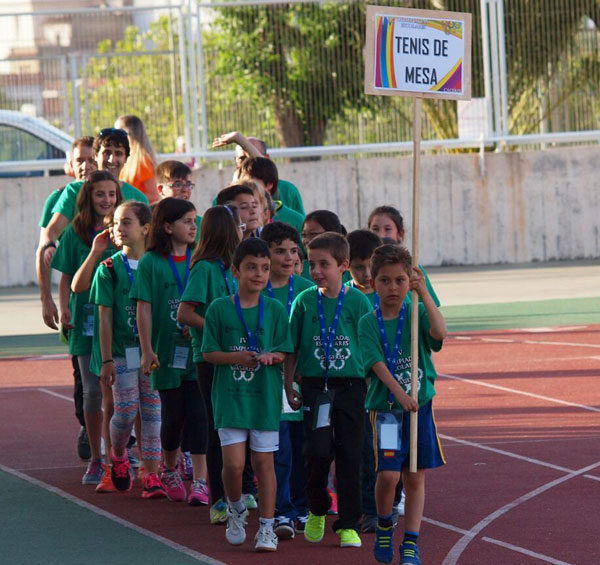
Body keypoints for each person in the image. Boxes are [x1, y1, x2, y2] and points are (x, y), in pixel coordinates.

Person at [202, 238, 294, 552]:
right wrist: (236, 358)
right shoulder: (219, 308)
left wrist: (273, 357)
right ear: (236, 271)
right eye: (252, 267)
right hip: (230, 398)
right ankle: (236, 508)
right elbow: (209, 353)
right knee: (234, 465)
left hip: (264, 398)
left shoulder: (277, 310)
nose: (259, 274)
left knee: (264, 463)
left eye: (265, 268)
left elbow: (285, 349)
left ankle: (267, 527)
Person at [358, 244, 446, 565]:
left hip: (419, 409)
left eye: (399, 280)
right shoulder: (369, 321)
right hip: (388, 413)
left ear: (408, 281)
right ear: (372, 282)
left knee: (415, 476)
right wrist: (399, 394)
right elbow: (377, 364)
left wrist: (423, 294)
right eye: (384, 281)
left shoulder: (416, 312)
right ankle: (384, 523)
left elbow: (440, 332)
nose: (392, 288)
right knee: (389, 475)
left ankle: (411, 541)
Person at [285, 232, 371, 549]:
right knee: (317, 452)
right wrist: (288, 384)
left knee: (350, 455)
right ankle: (318, 507)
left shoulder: (359, 302)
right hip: (315, 388)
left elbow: (370, 346)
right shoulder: (305, 301)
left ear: (344, 266)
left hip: (350, 387)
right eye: (312, 264)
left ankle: (349, 524)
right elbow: (291, 347)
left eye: (325, 264)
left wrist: (371, 384)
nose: (317, 270)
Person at [130, 198, 207, 503]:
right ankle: (171, 466)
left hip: (198, 350)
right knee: (173, 416)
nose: (193, 226)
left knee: (199, 414)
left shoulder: (199, 259)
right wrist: (147, 350)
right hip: (165, 351)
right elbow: (144, 308)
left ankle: (200, 480)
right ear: (167, 226)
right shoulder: (151, 262)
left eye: (195, 220)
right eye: (187, 221)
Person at [90, 201, 166, 499]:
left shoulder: (157, 264)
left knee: (153, 412)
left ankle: (152, 474)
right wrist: (107, 358)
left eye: (126, 223)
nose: (117, 229)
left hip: (153, 351)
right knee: (124, 410)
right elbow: (104, 318)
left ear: (146, 228)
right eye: (116, 223)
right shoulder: (108, 268)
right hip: (123, 351)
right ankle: (119, 455)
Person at [50, 170, 122, 485]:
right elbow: (67, 279)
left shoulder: (124, 230)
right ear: (88, 197)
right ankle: (96, 458)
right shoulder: (75, 234)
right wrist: (64, 307)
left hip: (121, 323)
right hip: (86, 322)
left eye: (111, 194)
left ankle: (123, 453)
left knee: (123, 396)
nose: (106, 200)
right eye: (100, 194)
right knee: (92, 392)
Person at [177, 205, 244, 518]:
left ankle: (243, 489)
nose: (243, 230)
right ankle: (218, 498)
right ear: (228, 231)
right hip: (210, 359)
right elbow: (185, 313)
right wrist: (217, 327)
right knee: (218, 427)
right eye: (239, 226)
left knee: (239, 424)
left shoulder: (233, 267)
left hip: (235, 356)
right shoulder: (204, 268)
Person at [38, 129, 149, 309]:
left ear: (126, 158)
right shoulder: (74, 192)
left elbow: (146, 247)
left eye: (119, 153)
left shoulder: (138, 198)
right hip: (82, 301)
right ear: (96, 155)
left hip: (124, 300)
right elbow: (50, 234)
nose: (112, 159)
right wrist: (47, 299)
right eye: (107, 153)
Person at [36, 135, 96, 460]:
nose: (87, 165)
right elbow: (46, 246)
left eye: (92, 158)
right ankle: (88, 425)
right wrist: (48, 299)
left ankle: (120, 440)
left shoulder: (124, 197)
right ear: (69, 166)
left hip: (116, 308)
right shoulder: (62, 200)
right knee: (84, 374)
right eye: (80, 160)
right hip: (79, 304)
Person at [259, 222, 314, 538]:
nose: (288, 257)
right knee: (277, 450)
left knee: (305, 446)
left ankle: (304, 507)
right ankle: (282, 510)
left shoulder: (307, 289)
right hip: (269, 382)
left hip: (304, 381)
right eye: (280, 251)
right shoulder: (256, 289)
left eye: (294, 250)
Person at [212, 131, 305, 215]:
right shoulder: (223, 198)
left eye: (252, 155)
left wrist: (239, 139)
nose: (248, 163)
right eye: (242, 158)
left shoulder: (287, 190)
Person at [367, 206, 439, 307]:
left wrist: (422, 292)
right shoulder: (360, 270)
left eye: (387, 229)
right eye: (375, 229)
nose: (381, 234)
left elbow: (433, 309)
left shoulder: (414, 269)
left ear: (400, 234)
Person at [237, 157, 305, 235]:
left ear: (269, 184)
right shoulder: (234, 217)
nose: (246, 186)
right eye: (243, 182)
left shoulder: (295, 219)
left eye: (252, 182)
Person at [115, 115, 160, 204]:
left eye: (118, 131)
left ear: (129, 133)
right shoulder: (128, 159)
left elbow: (153, 195)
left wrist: (128, 198)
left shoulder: (142, 161)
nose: (114, 135)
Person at [300, 210, 349, 283]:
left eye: (313, 234)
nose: (306, 240)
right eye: (304, 235)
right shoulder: (299, 268)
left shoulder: (351, 271)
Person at [156, 160, 202, 237]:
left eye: (188, 184)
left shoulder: (200, 224)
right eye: (177, 184)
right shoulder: (151, 221)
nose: (184, 190)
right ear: (161, 189)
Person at [346, 229, 382, 308]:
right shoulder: (341, 294)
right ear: (346, 265)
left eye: (372, 266)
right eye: (359, 267)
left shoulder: (390, 293)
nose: (367, 274)